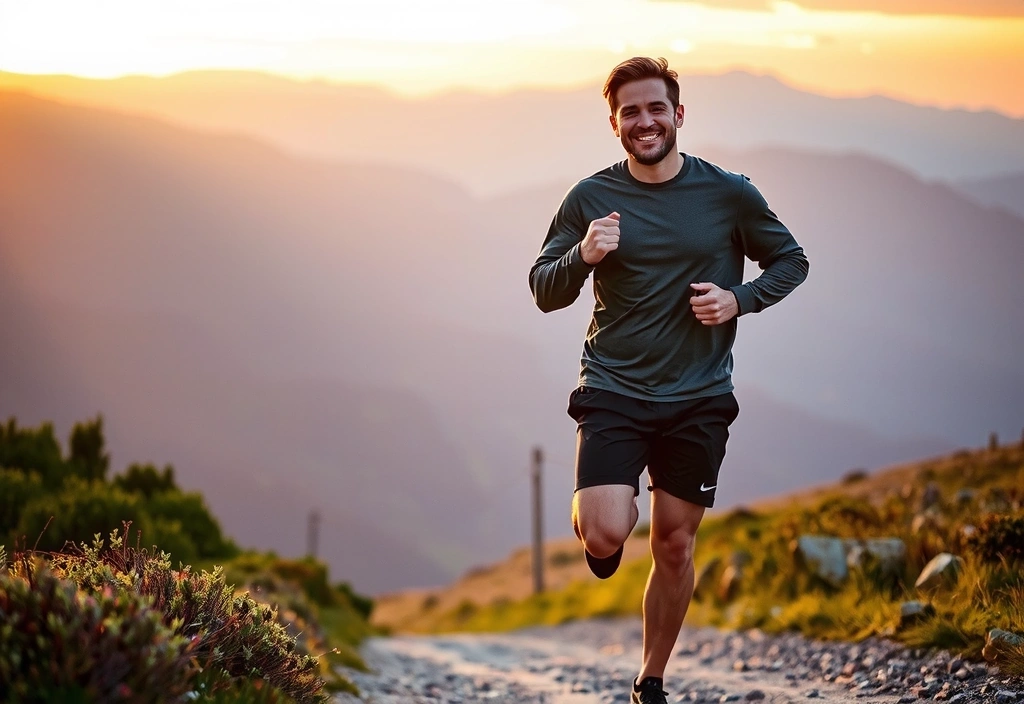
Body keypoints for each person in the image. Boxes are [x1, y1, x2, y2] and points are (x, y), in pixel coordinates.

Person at [528, 57, 809, 704]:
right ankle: (603, 536)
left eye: (656, 108)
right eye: (631, 112)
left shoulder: (729, 193)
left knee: (676, 545)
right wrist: (585, 255)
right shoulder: (589, 198)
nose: (645, 121)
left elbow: (791, 260)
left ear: (679, 114)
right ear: (615, 124)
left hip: (700, 394)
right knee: (605, 530)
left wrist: (741, 298)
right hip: (614, 388)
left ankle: (650, 678)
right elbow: (545, 291)